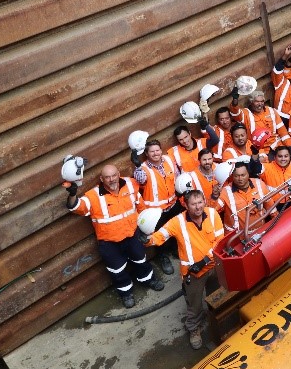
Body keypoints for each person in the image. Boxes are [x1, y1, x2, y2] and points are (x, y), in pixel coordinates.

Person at [68, 164, 164, 308]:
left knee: (141, 261)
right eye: (107, 177)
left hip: (132, 236)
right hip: (109, 243)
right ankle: (126, 293)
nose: (111, 179)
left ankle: (148, 280)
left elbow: (141, 206)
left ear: (119, 174)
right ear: (101, 179)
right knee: (117, 270)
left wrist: (145, 229)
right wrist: (72, 194)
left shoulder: (131, 184)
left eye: (114, 175)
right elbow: (76, 207)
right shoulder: (93, 195)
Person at [148, 189, 224, 349]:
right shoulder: (177, 222)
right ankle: (194, 329)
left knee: (216, 296)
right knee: (194, 306)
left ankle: (217, 318)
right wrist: (147, 240)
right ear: (186, 206)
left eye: (200, 202)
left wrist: (205, 260)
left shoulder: (212, 214)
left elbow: (219, 241)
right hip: (193, 274)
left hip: (214, 267)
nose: (197, 207)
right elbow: (160, 236)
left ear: (204, 201)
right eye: (193, 204)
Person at [133, 139, 180, 276]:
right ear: (146, 154)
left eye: (157, 150)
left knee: (175, 230)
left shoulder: (168, 160)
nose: (156, 153)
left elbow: (176, 176)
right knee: (159, 236)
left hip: (173, 205)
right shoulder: (143, 168)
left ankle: (175, 249)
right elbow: (141, 180)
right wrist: (137, 166)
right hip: (156, 212)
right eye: (152, 151)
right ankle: (163, 257)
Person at [216, 159, 270, 235]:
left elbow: (271, 207)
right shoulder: (225, 192)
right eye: (236, 176)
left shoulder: (260, 184)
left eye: (243, 175)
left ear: (248, 174)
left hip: (259, 232)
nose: (240, 179)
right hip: (236, 239)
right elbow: (214, 210)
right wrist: (214, 196)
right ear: (232, 176)